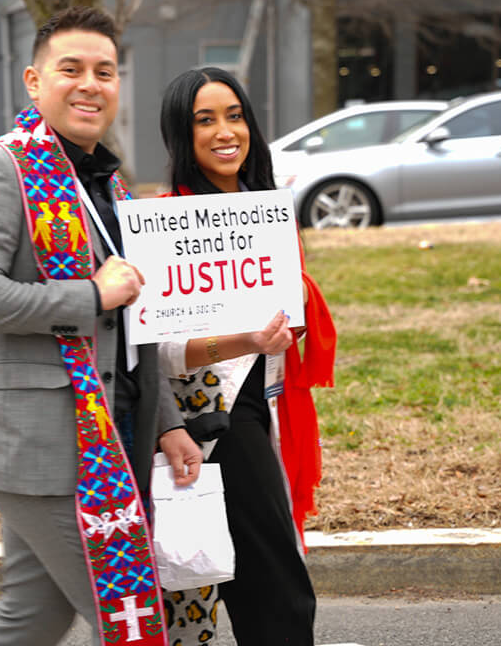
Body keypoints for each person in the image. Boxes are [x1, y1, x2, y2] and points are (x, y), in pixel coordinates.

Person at [0, 6, 204, 646]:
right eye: (72, 69)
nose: (91, 84)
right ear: (35, 82)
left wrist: (168, 422)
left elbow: (135, 320)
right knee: (132, 620)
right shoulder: (2, 168)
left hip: (110, 432)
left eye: (105, 72)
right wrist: (90, 294)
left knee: (31, 617)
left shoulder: (108, 182)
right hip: (45, 447)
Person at [155, 67, 336, 646]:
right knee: (269, 591)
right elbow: (162, 352)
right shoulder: (165, 221)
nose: (225, 131)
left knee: (254, 582)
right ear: (182, 136)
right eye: (204, 120)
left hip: (270, 408)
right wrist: (246, 341)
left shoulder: (268, 211)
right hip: (212, 424)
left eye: (234, 115)